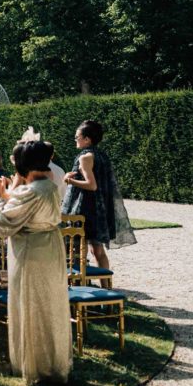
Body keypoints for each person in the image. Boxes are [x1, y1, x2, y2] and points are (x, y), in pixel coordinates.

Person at [0, 139, 72, 385]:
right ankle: (52, 360)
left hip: (32, 253)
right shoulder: (48, 186)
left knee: (31, 305)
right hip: (50, 248)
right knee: (49, 305)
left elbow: (3, 222)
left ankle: (35, 365)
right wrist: (8, 191)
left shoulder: (33, 191)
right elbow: (22, 204)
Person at [61, 119, 136, 277]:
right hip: (100, 208)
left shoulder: (85, 157)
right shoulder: (102, 155)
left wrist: (69, 179)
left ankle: (79, 284)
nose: (75, 140)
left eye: (77, 137)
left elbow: (91, 185)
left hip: (85, 208)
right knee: (97, 250)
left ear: (87, 139)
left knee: (76, 250)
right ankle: (106, 286)